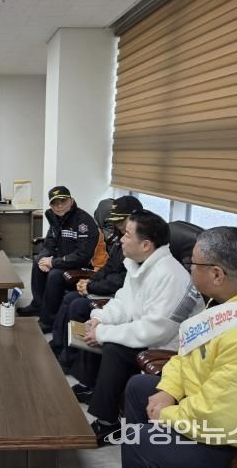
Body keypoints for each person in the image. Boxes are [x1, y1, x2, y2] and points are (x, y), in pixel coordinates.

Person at [122, 227, 237, 467]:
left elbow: (220, 420)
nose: (189, 268)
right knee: (138, 387)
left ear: (217, 274)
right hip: (208, 397)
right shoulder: (234, 300)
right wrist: (169, 390)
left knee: (140, 440)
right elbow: (188, 351)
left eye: (192, 263)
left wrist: (166, 415)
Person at [73, 210, 204, 445]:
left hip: (168, 347)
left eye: (127, 235)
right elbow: (124, 302)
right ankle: (93, 388)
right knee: (94, 328)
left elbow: (156, 330)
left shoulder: (170, 275)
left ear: (145, 245)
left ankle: (108, 424)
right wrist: (101, 319)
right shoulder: (139, 264)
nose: (121, 239)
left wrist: (104, 333)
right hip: (146, 332)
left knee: (114, 348)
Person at [50, 195, 143, 371]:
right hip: (107, 287)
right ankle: (59, 345)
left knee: (77, 305)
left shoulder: (139, 244)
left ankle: (69, 359)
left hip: (118, 296)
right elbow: (108, 267)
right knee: (69, 298)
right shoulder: (119, 238)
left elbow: (122, 280)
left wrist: (92, 286)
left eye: (121, 220)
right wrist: (90, 280)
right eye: (115, 221)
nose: (117, 225)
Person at [16, 186, 99, 331]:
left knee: (55, 275)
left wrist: (54, 262)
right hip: (63, 260)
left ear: (71, 201)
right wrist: (44, 258)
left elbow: (83, 255)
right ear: (51, 206)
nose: (59, 206)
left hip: (81, 266)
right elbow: (49, 243)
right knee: (37, 261)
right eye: (55, 203)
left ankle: (48, 320)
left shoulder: (84, 222)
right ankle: (38, 305)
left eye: (63, 201)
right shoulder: (55, 218)